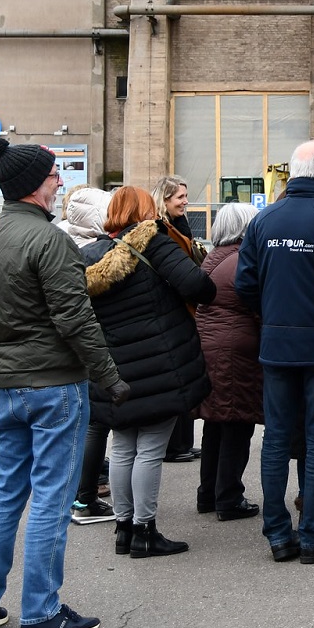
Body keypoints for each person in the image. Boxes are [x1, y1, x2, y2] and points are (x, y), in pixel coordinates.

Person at [0, 137, 128, 628]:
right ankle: (40, 611)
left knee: (5, 493)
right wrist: (109, 377)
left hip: (6, 384)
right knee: (52, 499)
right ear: (37, 186)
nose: (61, 182)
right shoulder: (51, 240)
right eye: (55, 176)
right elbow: (75, 317)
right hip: (54, 384)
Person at [235, 139, 314, 564]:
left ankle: (277, 534)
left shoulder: (264, 220)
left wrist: (271, 315)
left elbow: (245, 285)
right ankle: (313, 536)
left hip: (277, 345)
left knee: (277, 439)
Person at [81, 186, 214, 558]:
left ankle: (123, 529)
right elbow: (198, 286)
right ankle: (145, 530)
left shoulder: (90, 254)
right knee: (151, 449)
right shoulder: (153, 243)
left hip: (113, 368)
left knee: (122, 446)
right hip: (160, 363)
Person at [196, 203, 264, 520]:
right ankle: (229, 497)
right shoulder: (242, 260)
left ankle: (208, 494)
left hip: (211, 345)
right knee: (237, 423)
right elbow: (256, 305)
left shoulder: (214, 257)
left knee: (216, 423)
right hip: (235, 350)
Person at [60, 187, 119, 526]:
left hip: (73, 348)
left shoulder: (63, 243)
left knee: (82, 420)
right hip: (92, 346)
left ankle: (85, 484)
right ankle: (85, 496)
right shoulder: (95, 253)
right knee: (94, 422)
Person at [154, 174, 204, 465]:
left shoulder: (178, 225)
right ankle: (173, 445)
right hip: (172, 310)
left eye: (186, 196)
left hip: (184, 310)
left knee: (184, 375)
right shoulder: (161, 230)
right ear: (165, 199)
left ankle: (182, 442)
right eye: (180, 198)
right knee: (175, 378)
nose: (185, 202)